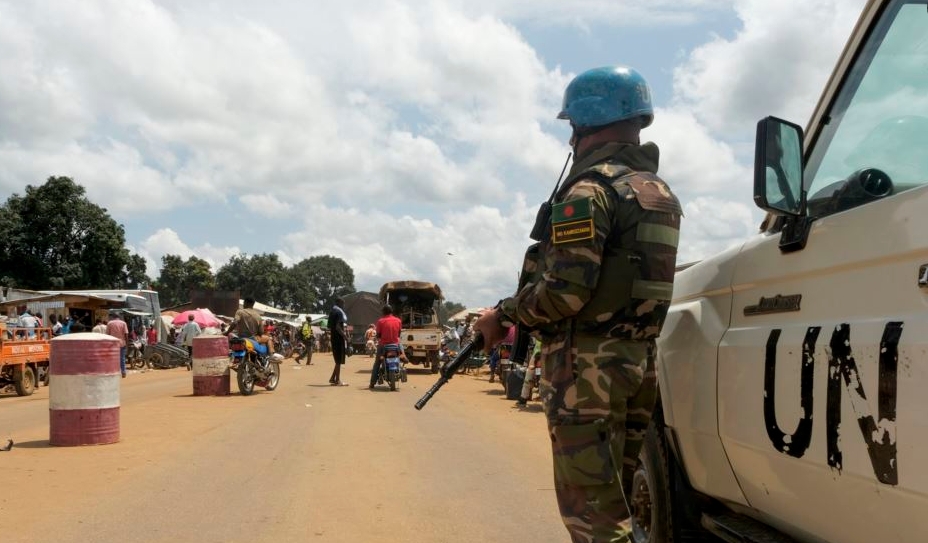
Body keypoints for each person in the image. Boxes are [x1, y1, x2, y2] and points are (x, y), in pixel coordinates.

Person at [472, 65, 682, 543]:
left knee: (593, 516)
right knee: (620, 499)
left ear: (584, 124)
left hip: (587, 370)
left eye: (571, 126)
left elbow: (565, 292)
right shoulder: (657, 193)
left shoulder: (588, 192)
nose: (570, 138)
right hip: (638, 363)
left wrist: (502, 315)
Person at [369, 305, 402, 389]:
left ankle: (372, 383)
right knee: (400, 351)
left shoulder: (381, 321)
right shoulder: (398, 320)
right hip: (395, 345)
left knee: (377, 363)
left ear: (383, 312)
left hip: (383, 345)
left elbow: (378, 335)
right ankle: (402, 357)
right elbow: (399, 334)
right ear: (391, 312)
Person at [327, 298, 349, 386]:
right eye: (343, 304)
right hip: (338, 338)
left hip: (333, 337)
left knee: (337, 359)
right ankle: (337, 380)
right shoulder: (339, 312)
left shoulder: (332, 312)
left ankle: (333, 378)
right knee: (339, 360)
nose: (344, 306)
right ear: (339, 303)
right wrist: (346, 337)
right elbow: (338, 327)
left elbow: (329, 326)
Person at [106, 311, 130, 378]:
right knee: (122, 358)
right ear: (119, 317)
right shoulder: (123, 323)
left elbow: (107, 334)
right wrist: (127, 344)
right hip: (122, 343)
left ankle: (113, 372)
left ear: (112, 317)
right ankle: (123, 372)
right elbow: (126, 334)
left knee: (112, 358)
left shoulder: (109, 323)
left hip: (112, 344)